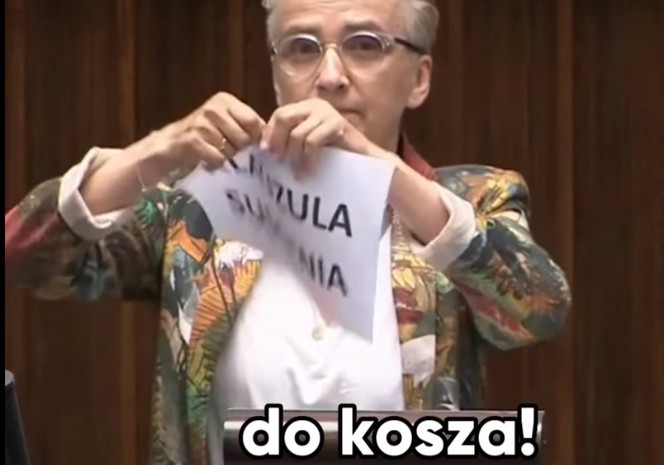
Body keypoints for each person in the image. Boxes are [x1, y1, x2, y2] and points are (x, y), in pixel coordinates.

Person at [4, 0, 572, 464]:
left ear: (419, 79)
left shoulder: (471, 200)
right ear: (277, 76)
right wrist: (155, 151)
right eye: (302, 48)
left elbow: (539, 311)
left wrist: (376, 166)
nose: (329, 77)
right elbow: (24, 254)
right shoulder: (198, 206)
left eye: (365, 45)